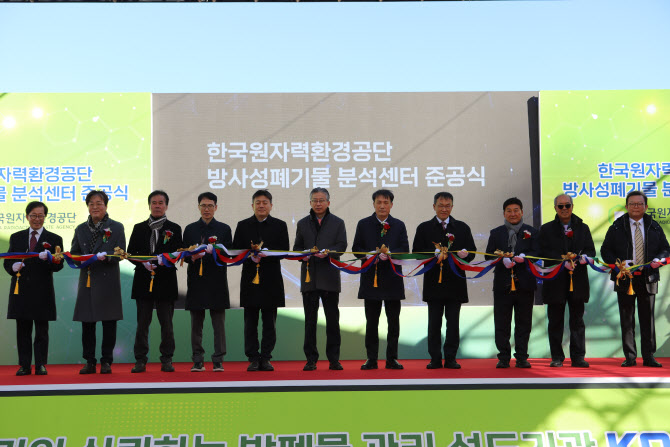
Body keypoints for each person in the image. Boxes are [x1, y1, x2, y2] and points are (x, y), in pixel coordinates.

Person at [601, 190, 669, 367]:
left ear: (646, 206)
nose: (636, 207)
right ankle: (630, 357)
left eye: (639, 204)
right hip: (625, 277)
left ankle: (649, 356)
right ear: (627, 206)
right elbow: (605, 250)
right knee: (627, 320)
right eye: (632, 204)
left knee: (648, 320)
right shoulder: (617, 226)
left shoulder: (654, 226)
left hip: (648, 277)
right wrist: (618, 265)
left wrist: (658, 259)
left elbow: (665, 249)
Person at [412, 192, 476, 369]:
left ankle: (450, 358)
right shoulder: (424, 228)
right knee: (434, 324)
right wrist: (432, 254)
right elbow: (416, 252)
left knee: (453, 324)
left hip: (455, 283)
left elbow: (471, 252)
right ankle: (434, 358)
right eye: (440, 205)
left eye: (448, 206)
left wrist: (466, 254)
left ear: (452, 207)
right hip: (433, 282)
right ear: (434, 207)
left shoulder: (462, 227)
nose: (444, 209)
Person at [4, 201, 64, 376]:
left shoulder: (54, 239)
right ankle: (24, 365)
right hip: (21, 290)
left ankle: (40, 364)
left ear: (45, 217)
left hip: (42, 291)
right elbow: (8, 262)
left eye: (40, 216)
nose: (37, 219)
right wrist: (12, 267)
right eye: (33, 216)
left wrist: (50, 260)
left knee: (41, 331)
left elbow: (58, 266)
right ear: (27, 216)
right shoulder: (16, 237)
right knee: (22, 330)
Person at [232, 190, 289, 372]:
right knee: (250, 321)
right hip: (250, 278)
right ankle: (253, 358)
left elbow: (284, 251)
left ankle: (266, 358)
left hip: (271, 279)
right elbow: (235, 252)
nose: (261, 206)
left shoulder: (280, 225)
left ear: (271, 205)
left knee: (269, 322)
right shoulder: (243, 225)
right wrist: (250, 255)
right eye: (258, 202)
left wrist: (267, 254)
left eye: (265, 202)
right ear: (252, 205)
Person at [352, 189, 409, 370]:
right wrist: (369, 254)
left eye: (386, 202)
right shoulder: (363, 224)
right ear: (374, 204)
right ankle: (371, 359)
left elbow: (405, 250)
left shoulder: (399, 225)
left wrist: (391, 254)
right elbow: (356, 249)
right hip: (371, 278)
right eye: (379, 202)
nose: (382, 206)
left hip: (393, 279)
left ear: (391, 205)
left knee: (393, 322)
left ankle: (392, 359)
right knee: (371, 322)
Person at [128, 190, 183, 373]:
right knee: (142, 324)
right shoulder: (139, 228)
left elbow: (178, 253)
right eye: (154, 203)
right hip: (143, 279)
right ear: (149, 205)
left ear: (166, 206)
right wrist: (143, 263)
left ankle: (167, 359)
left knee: (167, 324)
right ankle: (140, 360)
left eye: (160, 203)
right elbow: (130, 253)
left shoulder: (174, 228)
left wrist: (163, 261)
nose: (157, 206)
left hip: (165, 280)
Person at [293, 188, 348, 371]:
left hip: (330, 277)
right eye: (315, 200)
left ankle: (334, 359)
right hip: (310, 278)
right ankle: (311, 359)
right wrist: (304, 255)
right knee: (310, 321)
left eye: (321, 200)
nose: (318, 203)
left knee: (332, 321)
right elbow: (297, 249)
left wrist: (329, 253)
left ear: (328, 203)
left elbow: (342, 246)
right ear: (310, 203)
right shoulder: (302, 223)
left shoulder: (338, 223)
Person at [71, 190, 125, 374]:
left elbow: (121, 253)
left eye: (99, 203)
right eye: (91, 204)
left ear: (106, 206)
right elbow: (75, 253)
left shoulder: (116, 227)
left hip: (108, 280)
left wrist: (107, 257)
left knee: (109, 322)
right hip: (88, 280)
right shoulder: (80, 229)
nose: (95, 207)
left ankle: (107, 361)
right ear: (88, 207)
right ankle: (90, 361)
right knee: (87, 323)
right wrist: (81, 259)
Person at [538, 194, 595, 368]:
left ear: (572, 206)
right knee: (555, 321)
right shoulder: (546, 229)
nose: (564, 209)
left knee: (577, 321)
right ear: (555, 208)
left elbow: (591, 251)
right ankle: (557, 357)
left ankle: (578, 357)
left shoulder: (583, 228)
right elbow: (542, 252)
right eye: (560, 206)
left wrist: (584, 258)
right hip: (555, 281)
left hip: (577, 281)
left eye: (567, 205)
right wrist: (562, 262)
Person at [485, 197, 539, 368]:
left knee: (524, 323)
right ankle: (503, 357)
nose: (513, 214)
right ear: (504, 214)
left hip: (525, 283)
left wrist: (526, 257)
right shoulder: (496, 233)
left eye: (516, 210)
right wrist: (501, 260)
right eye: (509, 211)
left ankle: (522, 357)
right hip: (502, 284)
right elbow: (488, 255)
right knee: (502, 322)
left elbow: (537, 252)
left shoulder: (532, 232)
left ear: (522, 212)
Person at [183, 192, 232, 372]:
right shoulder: (190, 229)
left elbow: (229, 254)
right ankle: (198, 360)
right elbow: (183, 255)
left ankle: (218, 360)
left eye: (210, 206)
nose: (207, 209)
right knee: (196, 324)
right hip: (196, 281)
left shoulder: (224, 229)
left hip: (217, 281)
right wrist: (192, 257)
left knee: (218, 324)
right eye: (203, 206)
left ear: (216, 207)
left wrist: (216, 252)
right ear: (198, 207)